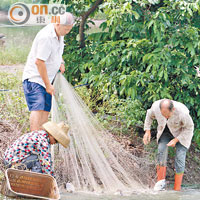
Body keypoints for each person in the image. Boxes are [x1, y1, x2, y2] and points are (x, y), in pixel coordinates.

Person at [22, 12, 74, 131]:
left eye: (69, 29)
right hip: (35, 79)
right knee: (38, 108)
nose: (67, 32)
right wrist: (47, 85)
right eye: (66, 29)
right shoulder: (46, 37)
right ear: (57, 24)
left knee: (46, 110)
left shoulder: (60, 33)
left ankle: (42, 142)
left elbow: (57, 52)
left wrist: (61, 62)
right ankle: (35, 141)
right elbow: (39, 62)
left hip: (47, 81)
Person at [143, 99, 194, 191]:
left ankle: (177, 189)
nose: (165, 117)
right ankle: (160, 185)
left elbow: (189, 128)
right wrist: (147, 131)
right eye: (163, 114)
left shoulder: (182, 112)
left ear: (173, 109)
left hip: (182, 133)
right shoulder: (155, 107)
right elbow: (149, 115)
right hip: (165, 131)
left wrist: (176, 140)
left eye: (167, 114)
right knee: (161, 151)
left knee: (180, 157)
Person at [3, 121, 70, 177]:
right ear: (51, 134)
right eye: (56, 140)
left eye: (57, 142)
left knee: (39, 159)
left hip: (9, 158)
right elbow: (46, 164)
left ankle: (35, 183)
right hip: (11, 162)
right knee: (39, 161)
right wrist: (51, 180)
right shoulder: (43, 142)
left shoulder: (39, 134)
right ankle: (36, 185)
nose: (54, 143)